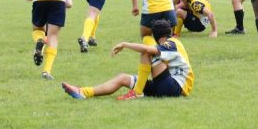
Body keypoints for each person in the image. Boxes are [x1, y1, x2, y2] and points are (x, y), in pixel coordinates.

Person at [61, 19, 193, 100]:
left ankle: (137, 92)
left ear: (156, 35)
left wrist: (125, 44)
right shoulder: (169, 44)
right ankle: (84, 92)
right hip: (165, 86)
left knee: (146, 53)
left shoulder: (173, 43)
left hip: (174, 87)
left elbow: (148, 50)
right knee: (122, 78)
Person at [129, 0, 183, 97]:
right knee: (168, 42)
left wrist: (134, 6)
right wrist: (173, 4)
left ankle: (151, 59)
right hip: (168, 10)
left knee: (146, 36)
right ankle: (168, 70)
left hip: (150, 10)